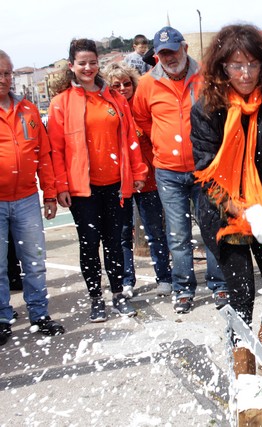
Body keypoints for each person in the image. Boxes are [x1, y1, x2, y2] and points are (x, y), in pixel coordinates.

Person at [190, 24, 262, 377]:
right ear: (222, 67)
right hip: (224, 212)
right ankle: (242, 365)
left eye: (253, 65)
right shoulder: (207, 108)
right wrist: (245, 211)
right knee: (241, 292)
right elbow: (207, 176)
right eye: (237, 66)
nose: (246, 74)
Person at [48, 39, 147, 322]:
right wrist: (60, 187)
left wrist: (138, 172)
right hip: (83, 190)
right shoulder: (60, 104)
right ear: (72, 66)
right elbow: (56, 150)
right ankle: (95, 299)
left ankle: (118, 294)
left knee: (115, 243)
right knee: (89, 244)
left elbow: (130, 139)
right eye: (82, 63)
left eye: (93, 62)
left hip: (116, 184)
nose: (89, 68)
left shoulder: (115, 99)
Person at [132, 26, 227, 313]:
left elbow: (222, 116)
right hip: (169, 172)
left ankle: (219, 285)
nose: (169, 58)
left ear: (184, 48)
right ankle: (183, 288)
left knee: (212, 230)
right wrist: (162, 146)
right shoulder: (148, 84)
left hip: (204, 170)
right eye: (163, 54)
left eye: (173, 51)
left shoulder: (207, 77)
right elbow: (142, 121)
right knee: (177, 235)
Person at [0, 49, 65, 345]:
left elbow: (44, 156)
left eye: (7, 73)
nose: (4, 79)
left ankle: (39, 315)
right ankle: (3, 317)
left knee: (35, 261)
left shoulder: (28, 111)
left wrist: (49, 194)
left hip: (27, 199)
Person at [103, 62, 172, 299]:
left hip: (149, 180)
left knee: (155, 231)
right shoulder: (108, 111)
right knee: (122, 234)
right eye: (116, 85)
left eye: (126, 83)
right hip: (120, 182)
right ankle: (126, 280)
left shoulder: (142, 109)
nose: (122, 88)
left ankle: (164, 277)